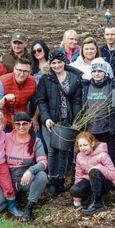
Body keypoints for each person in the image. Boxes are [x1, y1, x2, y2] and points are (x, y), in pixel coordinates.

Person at [0, 111, 48, 222]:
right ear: (13, 125)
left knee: (41, 176)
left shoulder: (36, 141)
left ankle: (29, 207)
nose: (21, 127)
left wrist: (30, 170)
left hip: (25, 179)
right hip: (7, 180)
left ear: (30, 124)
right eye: (18, 124)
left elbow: (43, 163)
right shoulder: (5, 137)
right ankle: (12, 199)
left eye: (25, 124)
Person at [37, 51, 83, 196]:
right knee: (52, 150)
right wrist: (46, 118)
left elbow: (76, 101)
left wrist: (75, 121)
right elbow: (42, 100)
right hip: (50, 121)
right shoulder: (46, 79)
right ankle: (52, 181)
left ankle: (61, 181)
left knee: (64, 151)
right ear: (50, 64)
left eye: (59, 62)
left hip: (67, 120)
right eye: (53, 63)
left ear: (64, 62)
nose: (57, 65)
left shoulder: (74, 78)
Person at [82, 58, 115, 163]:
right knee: (92, 158)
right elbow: (83, 108)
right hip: (91, 129)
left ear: (105, 72)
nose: (97, 74)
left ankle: (109, 178)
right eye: (94, 71)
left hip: (108, 130)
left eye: (100, 71)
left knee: (108, 158)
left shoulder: (113, 87)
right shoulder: (86, 88)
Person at [70, 132, 115, 215]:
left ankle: (98, 204)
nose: (83, 148)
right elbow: (78, 175)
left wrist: (98, 168)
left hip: (104, 183)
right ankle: (92, 197)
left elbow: (113, 175)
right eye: (80, 146)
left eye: (85, 145)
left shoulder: (102, 155)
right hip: (90, 182)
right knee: (74, 190)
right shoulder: (79, 156)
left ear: (92, 143)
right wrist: (77, 198)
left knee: (94, 172)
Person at [0, 57, 36, 130]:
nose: (21, 74)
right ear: (14, 69)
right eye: (19, 70)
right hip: (5, 122)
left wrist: (35, 118)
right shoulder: (2, 82)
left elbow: (40, 101)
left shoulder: (33, 82)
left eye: (25, 71)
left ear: (30, 72)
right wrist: (4, 99)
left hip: (23, 121)